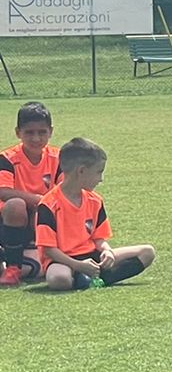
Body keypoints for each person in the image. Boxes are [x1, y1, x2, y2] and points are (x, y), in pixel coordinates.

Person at [33, 137, 154, 291]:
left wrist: (107, 251)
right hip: (63, 260)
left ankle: (90, 278)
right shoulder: (48, 204)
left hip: (92, 256)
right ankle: (88, 276)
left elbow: (99, 239)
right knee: (59, 279)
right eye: (99, 172)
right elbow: (49, 249)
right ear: (81, 171)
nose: (101, 179)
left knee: (147, 252)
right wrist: (77, 265)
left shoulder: (95, 200)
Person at [0, 101, 60, 286]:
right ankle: (13, 267)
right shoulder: (7, 158)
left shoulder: (59, 158)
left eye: (42, 132)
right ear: (18, 132)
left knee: (45, 211)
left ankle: (24, 260)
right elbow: (3, 192)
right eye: (29, 132)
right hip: (9, 224)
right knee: (16, 204)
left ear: (51, 131)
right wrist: (40, 200)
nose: (36, 138)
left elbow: (66, 192)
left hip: (40, 224)